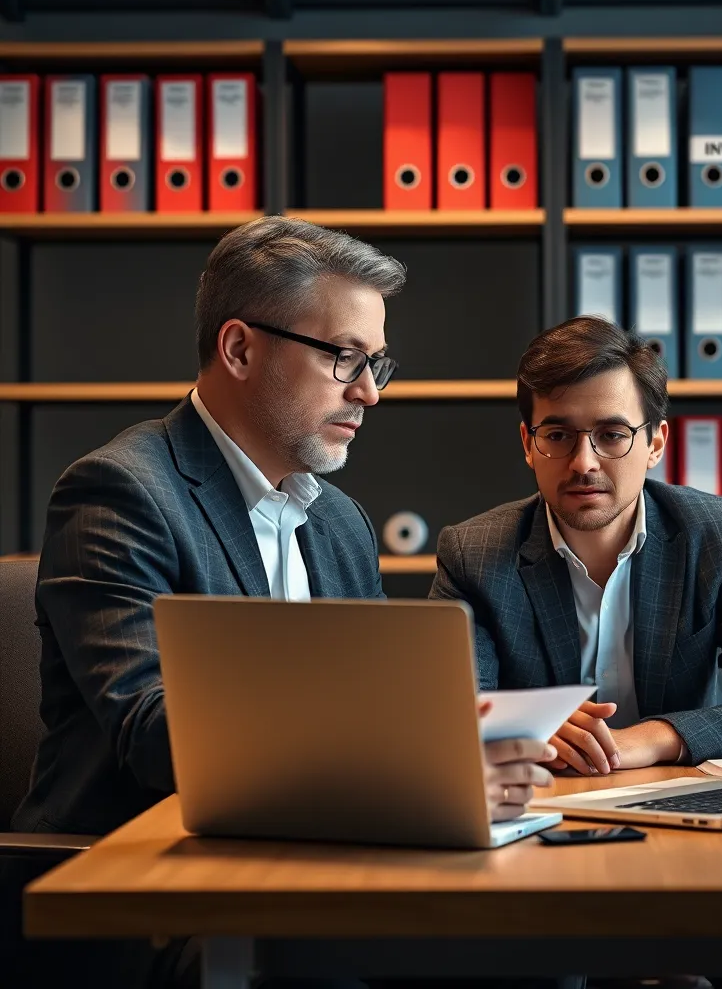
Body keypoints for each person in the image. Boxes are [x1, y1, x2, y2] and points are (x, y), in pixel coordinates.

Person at [2, 217, 560, 989]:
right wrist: (415, 773)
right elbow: (155, 735)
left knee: (534, 950)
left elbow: (372, 709)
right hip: (144, 890)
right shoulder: (122, 494)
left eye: (377, 364)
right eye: (343, 358)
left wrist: (447, 749)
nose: (368, 391)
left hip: (320, 863)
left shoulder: (338, 521)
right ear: (239, 348)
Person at [429, 315, 722, 776]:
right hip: (542, 807)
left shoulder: (715, 534)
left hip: (676, 804)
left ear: (655, 443)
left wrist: (655, 738)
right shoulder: (474, 553)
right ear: (528, 444)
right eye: (558, 436)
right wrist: (527, 726)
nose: (584, 463)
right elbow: (451, 712)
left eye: (612, 435)